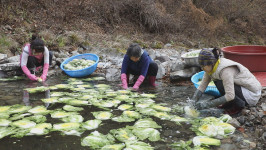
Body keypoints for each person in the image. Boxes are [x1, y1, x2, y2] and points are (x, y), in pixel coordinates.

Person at [192, 48, 262, 115]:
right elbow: (202, 86)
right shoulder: (211, 69)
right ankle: (230, 104)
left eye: (203, 66)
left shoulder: (225, 70)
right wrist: (192, 101)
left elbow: (230, 95)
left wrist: (206, 105)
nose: (202, 68)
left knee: (220, 83)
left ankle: (238, 106)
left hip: (251, 94)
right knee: (218, 82)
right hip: (241, 90)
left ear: (211, 63)